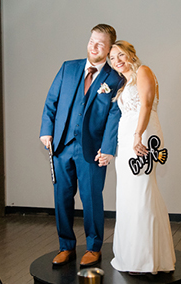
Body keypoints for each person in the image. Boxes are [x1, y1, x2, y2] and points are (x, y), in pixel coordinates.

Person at [39, 24, 125, 266]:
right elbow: (51, 102)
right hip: (61, 147)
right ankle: (66, 246)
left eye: (100, 44)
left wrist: (108, 148)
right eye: (91, 41)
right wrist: (46, 131)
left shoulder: (115, 78)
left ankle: (94, 247)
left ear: (108, 50)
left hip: (93, 151)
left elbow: (113, 115)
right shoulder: (68, 68)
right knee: (62, 198)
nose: (93, 47)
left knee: (91, 199)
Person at [103, 40, 176, 274]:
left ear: (131, 54)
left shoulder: (144, 71)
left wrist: (138, 135)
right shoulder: (124, 84)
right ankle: (132, 255)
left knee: (142, 191)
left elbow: (145, 104)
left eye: (120, 55)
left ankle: (147, 258)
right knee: (128, 193)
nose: (117, 61)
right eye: (112, 59)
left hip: (142, 135)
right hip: (126, 140)